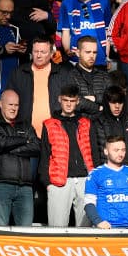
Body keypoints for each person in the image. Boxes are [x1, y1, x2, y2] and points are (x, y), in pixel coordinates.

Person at [39, 85, 94, 228]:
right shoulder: (49, 124)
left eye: (72, 100)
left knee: (86, 231)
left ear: (77, 102)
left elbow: (94, 152)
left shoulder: (86, 123)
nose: (69, 104)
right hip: (58, 182)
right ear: (59, 100)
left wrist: (95, 179)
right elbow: (44, 155)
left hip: (85, 180)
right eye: (65, 100)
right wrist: (47, 183)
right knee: (57, 229)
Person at [0, 89, 40, 227]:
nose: (14, 108)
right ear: (0, 104)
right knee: (0, 232)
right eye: (10, 105)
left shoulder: (25, 125)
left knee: (26, 234)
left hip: (25, 188)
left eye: (16, 105)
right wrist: (24, 140)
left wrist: (10, 147)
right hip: (1, 185)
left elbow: (37, 147)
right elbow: (0, 143)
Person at [83, 134, 128, 230]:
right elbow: (89, 203)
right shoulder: (96, 174)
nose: (120, 154)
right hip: (107, 229)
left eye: (123, 150)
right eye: (116, 150)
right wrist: (98, 222)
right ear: (106, 151)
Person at [9, 35, 71, 138]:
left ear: (51, 54)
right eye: (35, 51)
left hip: (56, 135)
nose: (38, 55)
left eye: (43, 52)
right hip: (25, 136)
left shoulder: (63, 74)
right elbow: (9, 102)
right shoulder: (19, 73)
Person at [58, 0, 109, 67]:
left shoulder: (103, 2)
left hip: (99, 59)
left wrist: (107, 57)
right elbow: (65, 30)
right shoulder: (67, 4)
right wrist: (67, 51)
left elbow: (106, 31)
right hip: (75, 59)